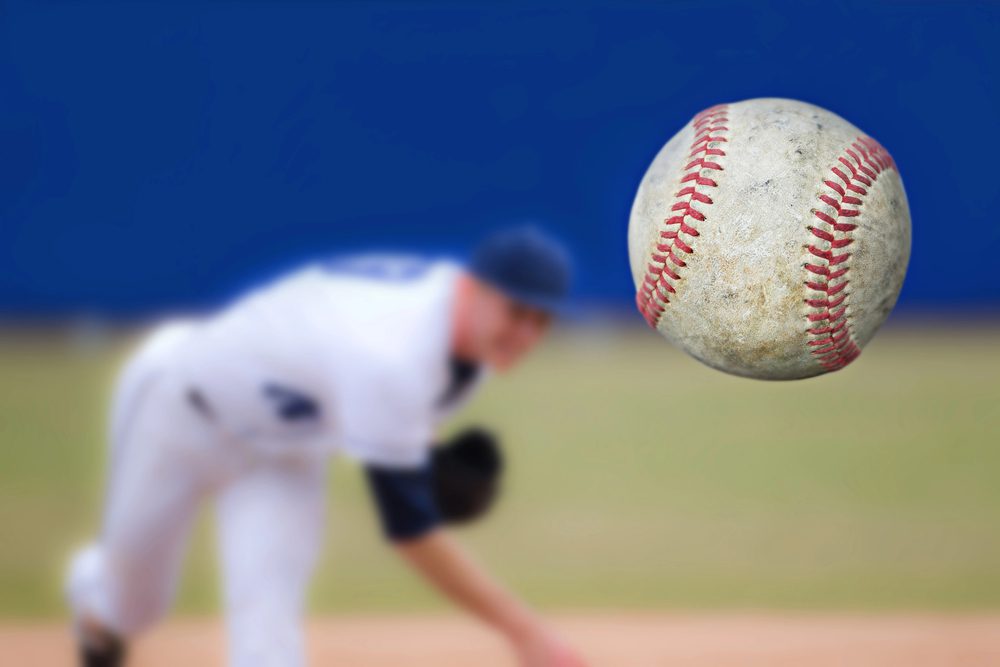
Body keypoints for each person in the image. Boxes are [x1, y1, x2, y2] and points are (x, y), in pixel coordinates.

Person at [66, 226, 588, 667]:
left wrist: (427, 455)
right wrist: (526, 632)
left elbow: (394, 409)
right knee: (134, 608)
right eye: (516, 311)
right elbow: (410, 531)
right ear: (474, 288)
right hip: (183, 407)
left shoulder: (468, 348)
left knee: (269, 638)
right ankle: (95, 585)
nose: (525, 333)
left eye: (540, 320)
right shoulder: (396, 349)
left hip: (285, 456)